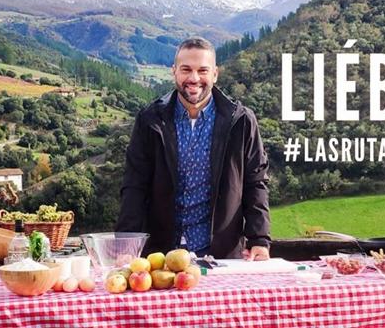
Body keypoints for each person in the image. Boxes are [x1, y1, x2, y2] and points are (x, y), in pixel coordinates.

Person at [115, 37, 270, 260]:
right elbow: (134, 185)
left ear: (215, 74)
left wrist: (259, 239)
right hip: (160, 256)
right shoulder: (150, 120)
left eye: (202, 70)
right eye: (186, 69)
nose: (194, 78)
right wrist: (127, 244)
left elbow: (256, 182)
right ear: (174, 71)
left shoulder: (241, 121)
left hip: (221, 255)